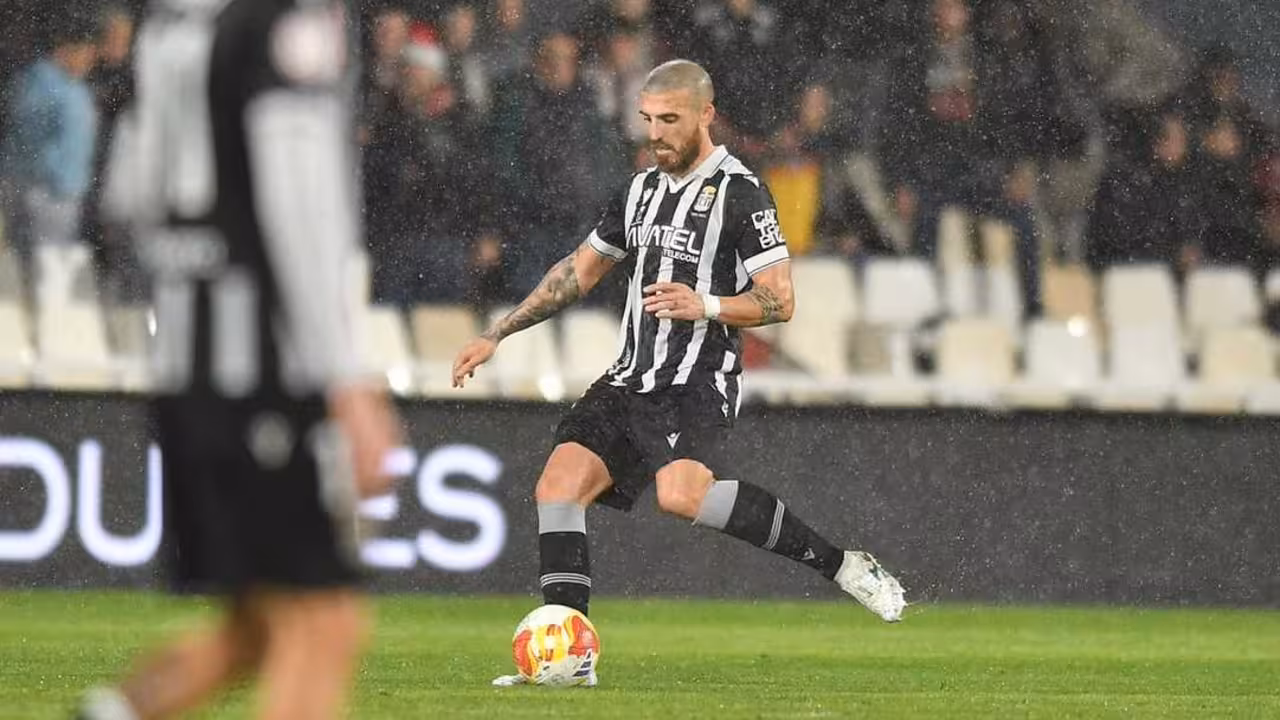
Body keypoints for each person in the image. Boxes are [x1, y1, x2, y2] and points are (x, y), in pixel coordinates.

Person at [452, 59, 906, 687]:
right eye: (648, 120)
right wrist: (495, 333)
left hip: (696, 381)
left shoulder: (742, 193)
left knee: (679, 495)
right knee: (556, 488)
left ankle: (841, 565)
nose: (656, 133)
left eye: (669, 120)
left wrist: (708, 303)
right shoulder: (639, 189)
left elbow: (781, 299)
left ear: (704, 115)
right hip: (630, 375)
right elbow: (576, 272)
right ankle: (572, 661)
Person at [77, 1, 402, 718]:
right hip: (267, 367)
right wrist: (346, 379)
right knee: (323, 623)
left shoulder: (171, 24)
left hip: (192, 360)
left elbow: (124, 195)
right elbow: (301, 202)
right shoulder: (285, 20)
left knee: (253, 630)